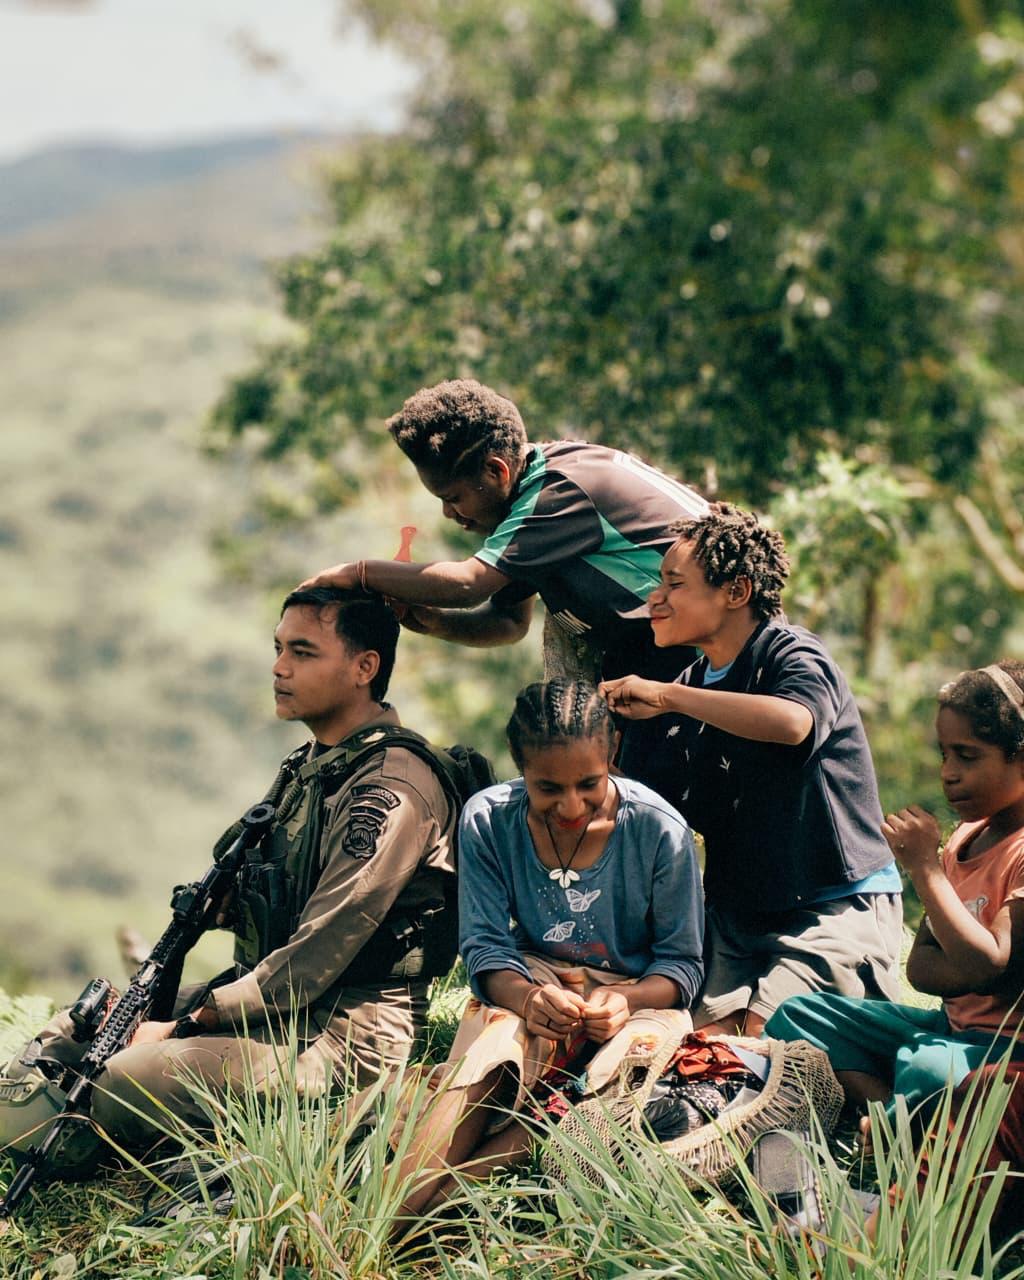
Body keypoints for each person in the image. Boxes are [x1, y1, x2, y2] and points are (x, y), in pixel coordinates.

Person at [4, 587, 459, 1152]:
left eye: (302, 652)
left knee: (126, 1076)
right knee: (78, 1033)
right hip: (273, 1007)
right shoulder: (312, 766)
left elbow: (316, 954)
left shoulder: (390, 788)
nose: (279, 668)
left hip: (343, 1032)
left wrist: (186, 1024)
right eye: (278, 649)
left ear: (365, 667)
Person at [393, 679, 704, 1221]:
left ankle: (412, 1220)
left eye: (589, 783)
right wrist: (529, 999)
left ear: (612, 754)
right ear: (520, 769)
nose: (571, 805)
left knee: (607, 1088)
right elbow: (486, 946)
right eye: (547, 788)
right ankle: (390, 1212)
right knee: (496, 1052)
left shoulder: (659, 830)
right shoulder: (488, 819)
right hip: (535, 979)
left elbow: (682, 966)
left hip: (637, 996)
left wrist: (625, 1001)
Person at [600, 503, 903, 1037]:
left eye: (674, 584)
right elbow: (652, 807)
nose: (656, 598)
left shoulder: (791, 653)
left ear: (736, 592)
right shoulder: (687, 690)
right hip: (740, 919)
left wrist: (669, 696)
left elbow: (793, 723)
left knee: (770, 1032)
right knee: (698, 1047)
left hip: (834, 904)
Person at [300, 378, 708, 689]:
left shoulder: (558, 493)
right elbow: (509, 621)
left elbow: (468, 585)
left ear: (497, 471)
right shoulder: (537, 492)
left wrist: (358, 573)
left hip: (715, 657)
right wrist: (436, 623)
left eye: (454, 497)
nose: (448, 514)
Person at [765, 661, 1024, 1128]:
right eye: (945, 754)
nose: (948, 773)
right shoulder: (965, 838)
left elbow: (989, 965)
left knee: (926, 1066)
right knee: (800, 1016)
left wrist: (925, 870)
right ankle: (888, 1122)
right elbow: (922, 968)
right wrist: (971, 967)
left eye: (967, 756)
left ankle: (898, 1132)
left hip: (1009, 1050)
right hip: (950, 1031)